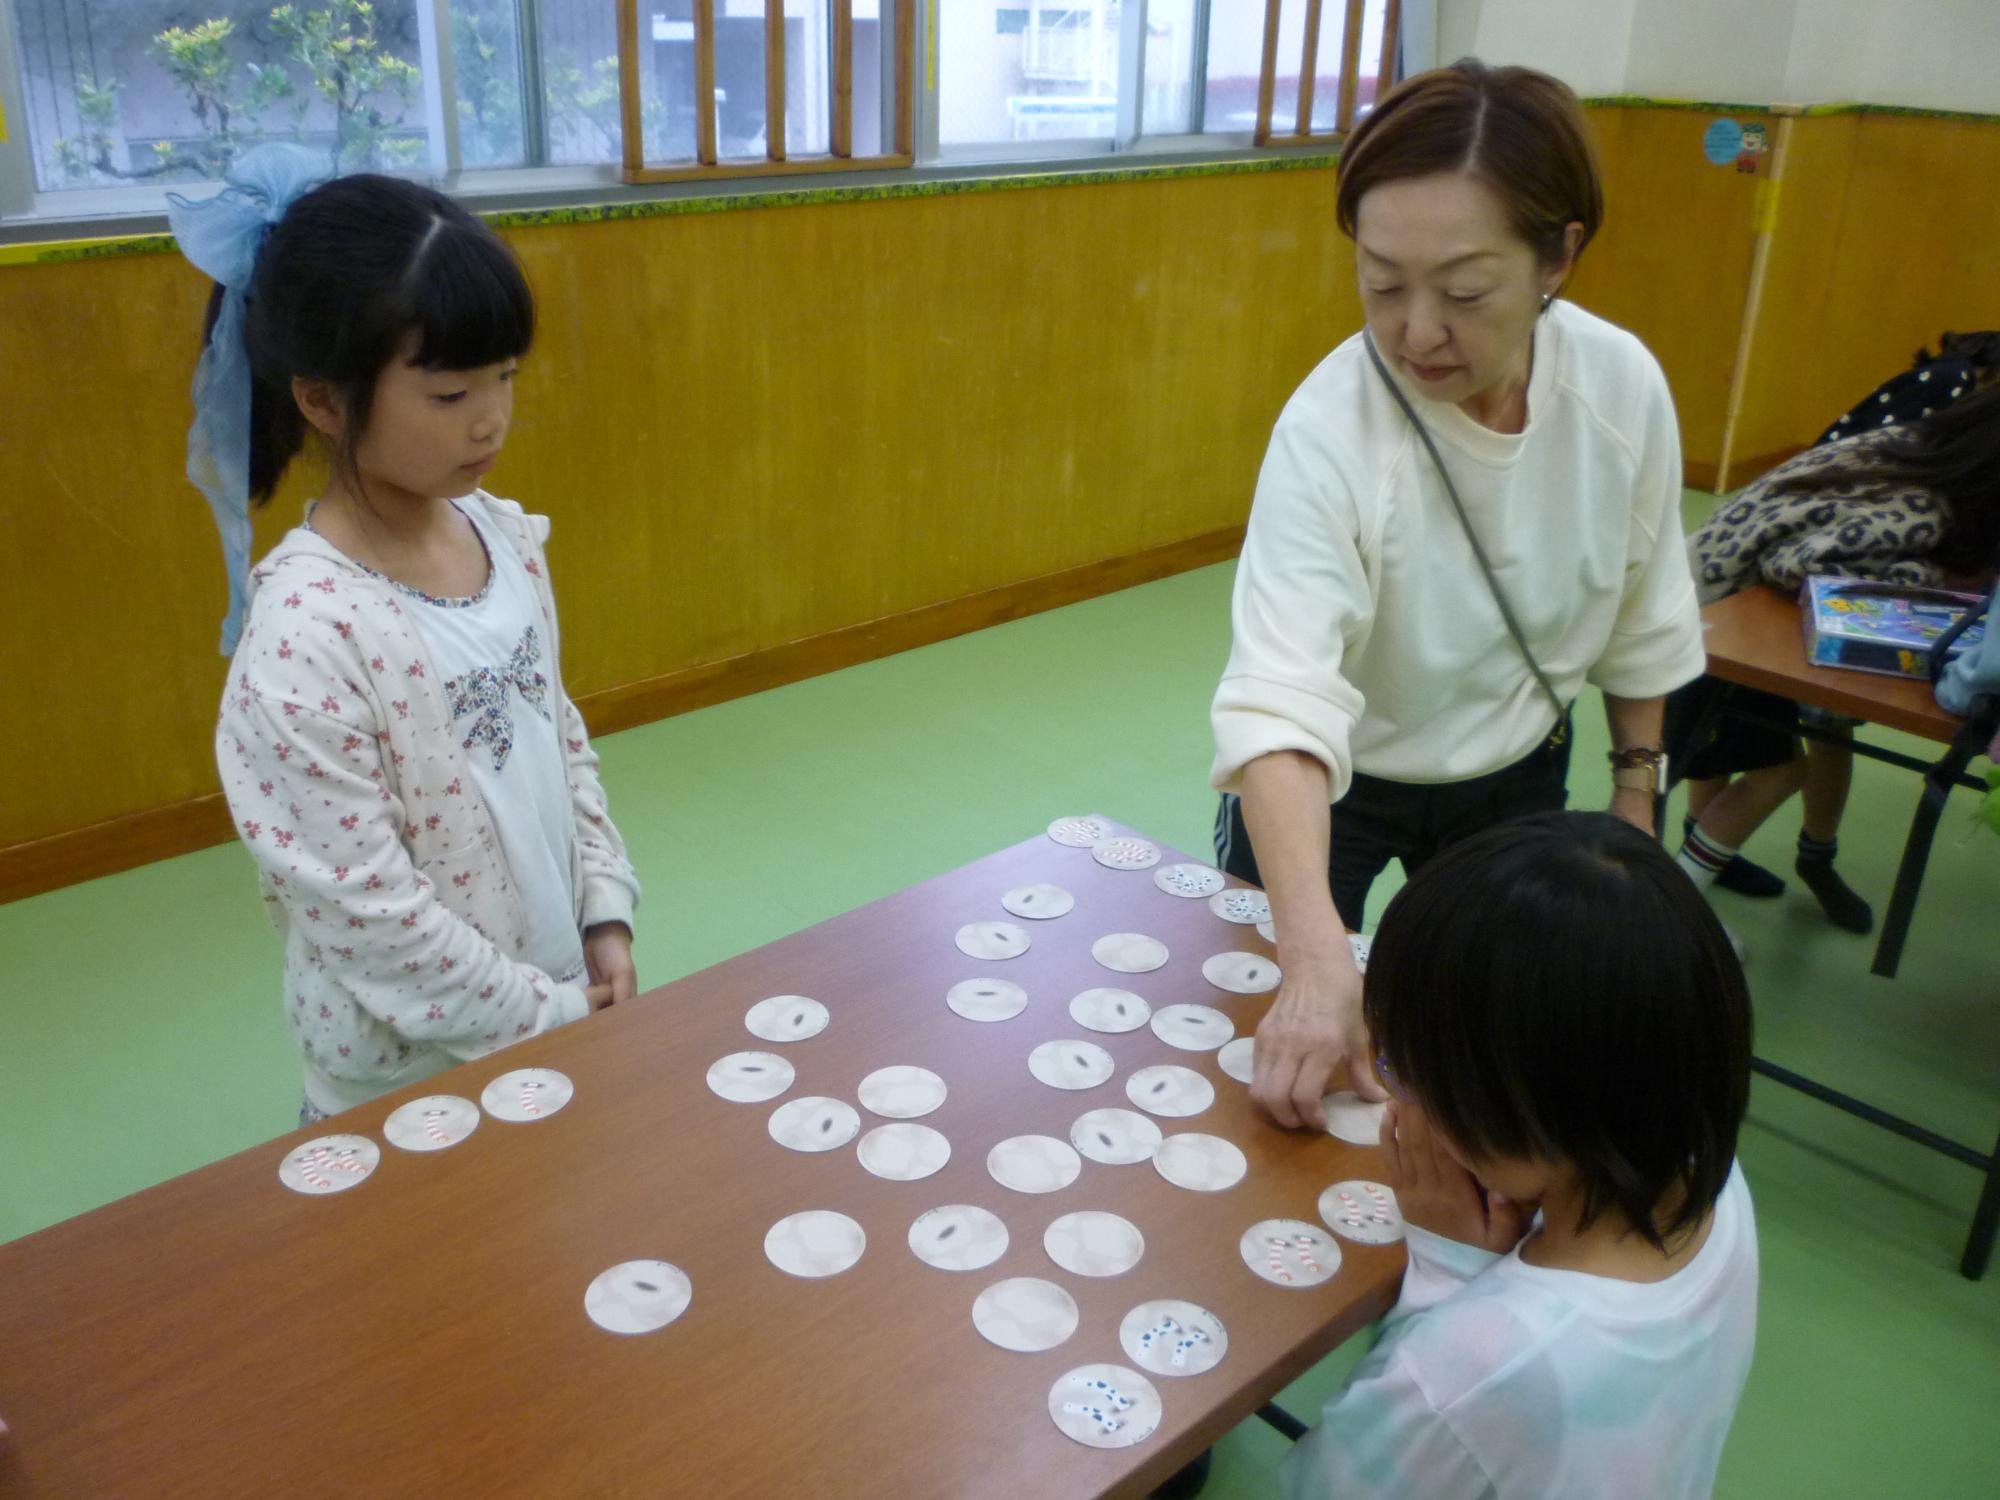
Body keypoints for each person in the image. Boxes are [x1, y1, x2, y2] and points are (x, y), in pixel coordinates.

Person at [1209, 61, 1705, 1130]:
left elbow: (1643, 607)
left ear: (1557, 257)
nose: (1415, 331)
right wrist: (1312, 956)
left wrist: (1632, 798)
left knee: (1474, 1067)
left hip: (1513, 772)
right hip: (1328, 793)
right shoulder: (1328, 428)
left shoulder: (1619, 388)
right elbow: (1278, 696)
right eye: (1380, 283)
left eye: (1464, 292)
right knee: (1291, 1063)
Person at [173, 145, 641, 1123]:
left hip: (552, 1005)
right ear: (323, 399)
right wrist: (547, 1014)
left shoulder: (505, 537)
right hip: (407, 1079)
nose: (493, 421)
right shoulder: (305, 637)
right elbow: (367, 917)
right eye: (449, 395)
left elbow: (555, 735)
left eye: (504, 377)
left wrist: (604, 907)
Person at [1283, 812, 1758, 1500]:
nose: (1398, 1102)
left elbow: (1325, 1486)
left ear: (1516, 1104)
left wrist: (1446, 1270)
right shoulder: (1708, 1172)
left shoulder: (1474, 1372)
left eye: (1406, 1073)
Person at [1670, 381, 2000, 932]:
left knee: (1810, 731)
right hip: (1710, 621)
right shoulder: (1922, 504)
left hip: (1709, 600)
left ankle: (1733, 853)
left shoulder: (1915, 449)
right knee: (1777, 768)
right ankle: (1680, 903)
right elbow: (1801, 564)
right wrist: (1931, 581)